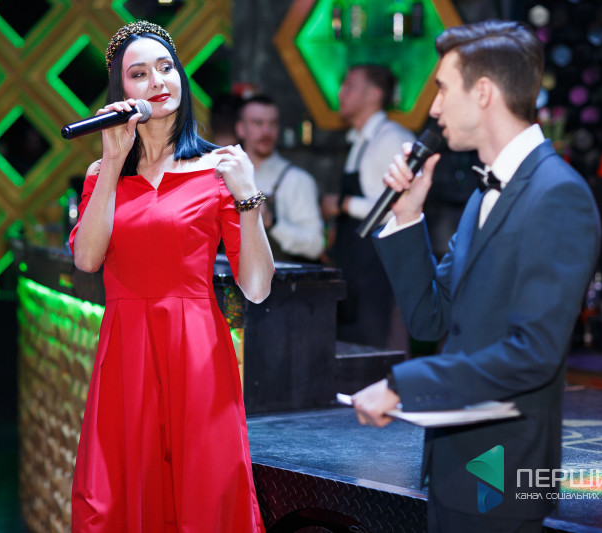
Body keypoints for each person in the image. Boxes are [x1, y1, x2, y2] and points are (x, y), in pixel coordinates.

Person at [351, 21, 601, 532]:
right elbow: (430, 316)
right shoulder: (483, 194)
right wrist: (408, 217)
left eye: (443, 89)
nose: (434, 108)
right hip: (452, 467)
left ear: (483, 92)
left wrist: (402, 385)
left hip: (504, 474)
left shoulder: (558, 194)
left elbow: (533, 353)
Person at [68, 21, 273, 532]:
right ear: (121, 93)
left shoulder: (217, 169)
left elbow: (257, 286)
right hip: (125, 353)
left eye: (165, 67)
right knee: (114, 499)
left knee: (205, 496)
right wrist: (112, 160)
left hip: (196, 352)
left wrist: (248, 198)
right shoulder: (102, 174)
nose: (157, 80)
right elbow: (87, 259)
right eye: (139, 73)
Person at [322, 64, 416, 350]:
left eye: (349, 86)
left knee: (377, 351)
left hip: (379, 273)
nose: (340, 93)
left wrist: (344, 204)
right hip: (354, 269)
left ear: (374, 94)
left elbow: (401, 206)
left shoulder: (393, 139)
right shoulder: (360, 140)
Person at [235, 94, 325, 263]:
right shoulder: (226, 177)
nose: (266, 132)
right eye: (258, 123)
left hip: (278, 277)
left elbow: (316, 245)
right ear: (241, 128)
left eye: (273, 124)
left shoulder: (296, 179)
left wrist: (273, 222)